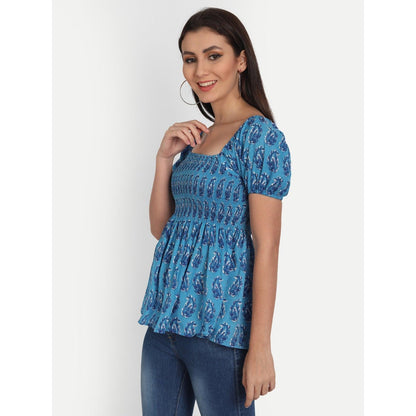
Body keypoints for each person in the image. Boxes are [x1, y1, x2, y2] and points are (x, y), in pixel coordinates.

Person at [138, 7, 291, 415]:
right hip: (165, 324)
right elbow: (162, 228)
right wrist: (163, 159)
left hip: (221, 330)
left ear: (241, 60)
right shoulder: (197, 137)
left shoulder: (259, 138)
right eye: (190, 59)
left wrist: (260, 347)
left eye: (213, 55)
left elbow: (268, 245)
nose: (200, 70)